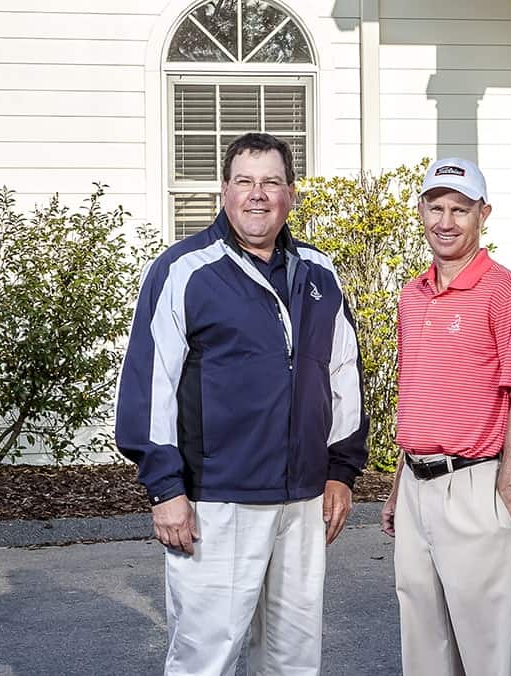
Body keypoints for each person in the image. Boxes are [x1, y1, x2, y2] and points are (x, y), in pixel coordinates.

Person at [115, 132, 368, 675]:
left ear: (292, 194)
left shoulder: (319, 273)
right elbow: (150, 383)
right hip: (217, 502)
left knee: (294, 659)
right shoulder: (185, 270)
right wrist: (165, 489)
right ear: (224, 191)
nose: (258, 195)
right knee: (207, 657)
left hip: (302, 502)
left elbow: (344, 371)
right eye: (245, 182)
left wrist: (342, 470)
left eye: (271, 182)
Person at [380, 157, 511, 675]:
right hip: (416, 488)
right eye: (435, 207)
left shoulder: (506, 290)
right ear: (421, 211)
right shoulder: (412, 296)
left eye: (459, 209)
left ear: (483, 214)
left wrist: (508, 496)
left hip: (476, 485)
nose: (445, 221)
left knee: (495, 651)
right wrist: (396, 487)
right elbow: (419, 398)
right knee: (424, 645)